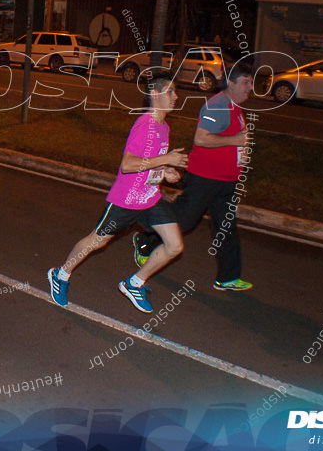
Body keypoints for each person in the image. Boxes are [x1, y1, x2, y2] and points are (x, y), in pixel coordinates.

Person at [47, 76, 188, 312]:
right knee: (97, 241)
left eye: (175, 92)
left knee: (174, 245)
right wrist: (166, 159)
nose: (176, 97)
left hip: (149, 198)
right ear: (155, 95)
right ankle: (60, 275)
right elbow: (128, 165)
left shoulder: (164, 127)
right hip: (127, 200)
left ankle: (135, 283)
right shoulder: (145, 125)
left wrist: (166, 171)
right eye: (170, 92)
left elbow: (149, 163)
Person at [133, 63, 255, 291]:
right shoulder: (218, 105)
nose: (250, 87)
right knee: (184, 221)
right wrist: (235, 141)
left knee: (226, 228)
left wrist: (241, 156)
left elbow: (234, 140)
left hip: (227, 180)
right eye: (246, 82)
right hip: (204, 178)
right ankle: (146, 242)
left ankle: (228, 277)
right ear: (232, 82)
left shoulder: (234, 107)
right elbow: (201, 139)